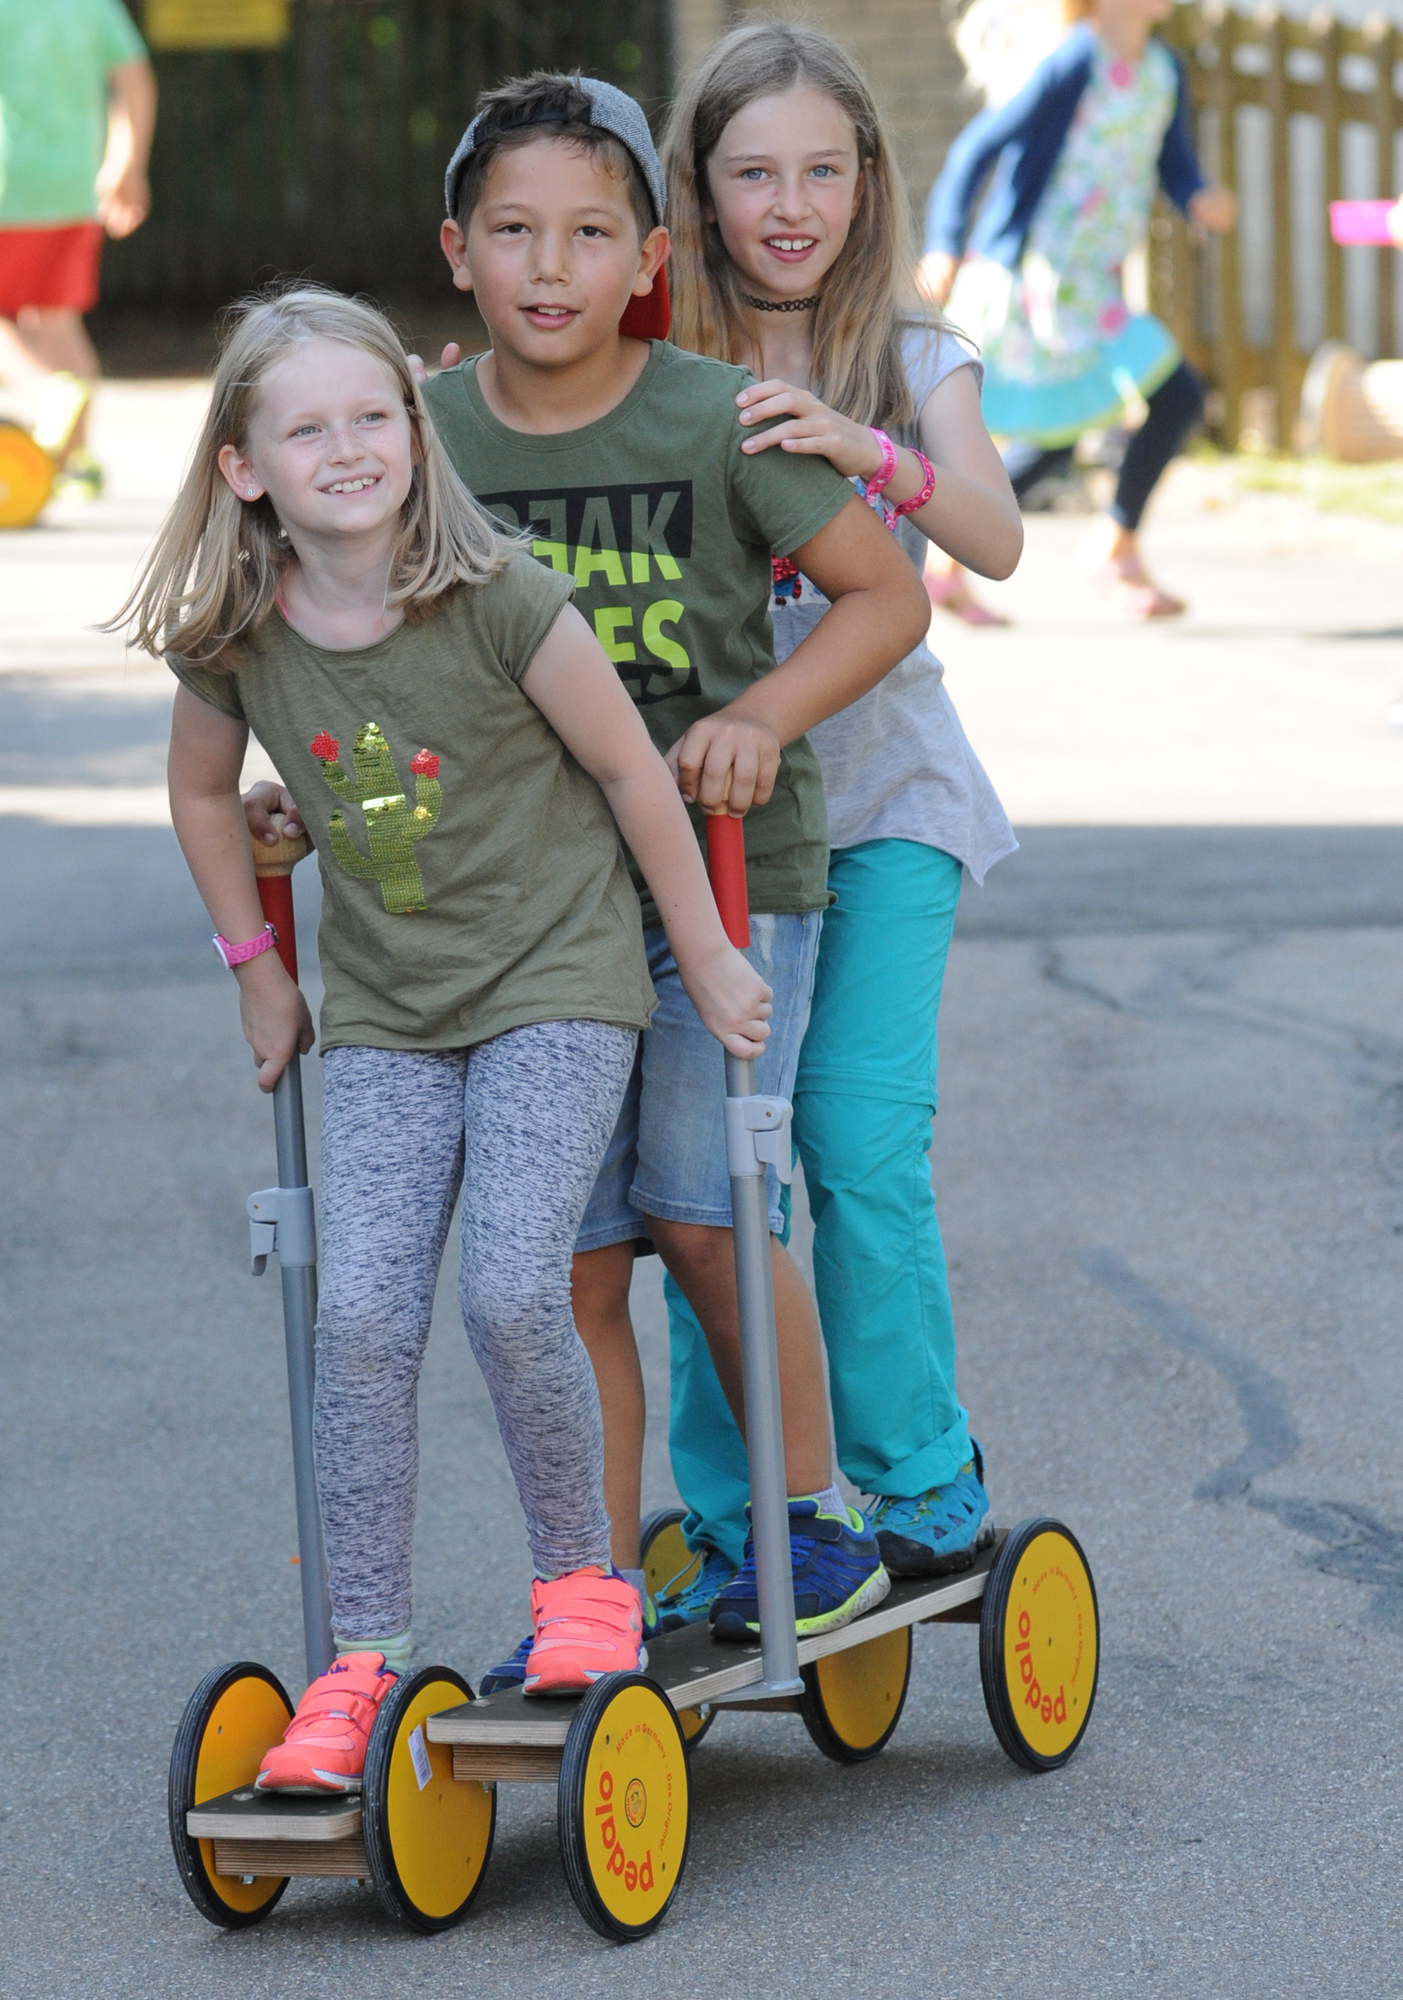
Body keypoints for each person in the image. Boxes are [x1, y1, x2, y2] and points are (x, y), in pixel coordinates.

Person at [127, 287, 776, 1789]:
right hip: (390, 1016)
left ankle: (583, 1591)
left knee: (507, 1289)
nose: (348, 447)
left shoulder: (499, 594)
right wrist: (254, 970)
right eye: (307, 426)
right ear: (244, 467)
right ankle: (360, 1659)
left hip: (556, 981)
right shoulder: (234, 632)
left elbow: (629, 771)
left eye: (374, 415)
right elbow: (204, 795)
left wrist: (701, 950)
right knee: (356, 1317)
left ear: (415, 432)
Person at [398, 71, 930, 1677]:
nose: (548, 268)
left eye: (586, 234)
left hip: (719, 869)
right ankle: (594, 1588)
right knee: (574, 1256)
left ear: (647, 256)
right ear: (459, 252)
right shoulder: (423, 436)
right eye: (512, 232)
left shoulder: (711, 416)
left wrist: (760, 716)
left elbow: (882, 597)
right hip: (536, 901)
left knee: (706, 1216)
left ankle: (815, 1516)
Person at [643, 20, 1022, 1629]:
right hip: (724, 828)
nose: (788, 204)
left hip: (885, 811)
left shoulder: (916, 359)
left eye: (820, 169)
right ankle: (747, 1516)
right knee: (726, 1176)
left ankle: (924, 1473)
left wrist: (867, 453)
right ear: (701, 189)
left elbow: (993, 541)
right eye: (751, 174)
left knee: (858, 1145)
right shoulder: (655, 364)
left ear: (869, 181)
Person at [920, 0, 1236, 620]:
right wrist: (943, 246)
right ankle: (1109, 548)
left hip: (1095, 283)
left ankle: (948, 562)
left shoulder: (1163, 69)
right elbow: (974, 151)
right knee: (1166, 397)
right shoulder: (1073, 60)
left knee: (1067, 429)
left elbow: (1172, 162)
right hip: (1040, 279)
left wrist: (1198, 196)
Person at [0, 0, 156, 496]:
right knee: (54, 317)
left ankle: (48, 393)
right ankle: (78, 464)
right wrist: (126, 164)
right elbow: (136, 79)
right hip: (74, 188)